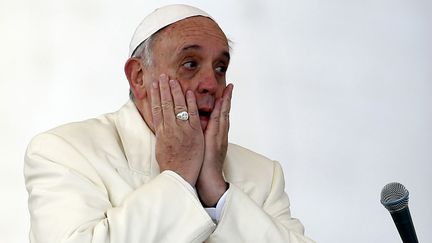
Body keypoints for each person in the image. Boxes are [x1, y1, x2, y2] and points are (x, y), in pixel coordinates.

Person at [24, 4, 314, 243]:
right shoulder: (65, 152)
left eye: (220, 68)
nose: (210, 84)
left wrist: (218, 194)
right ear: (139, 77)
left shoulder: (262, 173)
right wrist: (177, 177)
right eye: (190, 63)